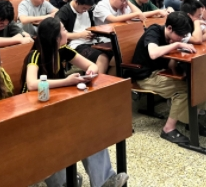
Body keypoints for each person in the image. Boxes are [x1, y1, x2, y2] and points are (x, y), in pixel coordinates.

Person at [21, 18, 129, 187]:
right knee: (58, 140)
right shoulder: (35, 55)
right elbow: (32, 84)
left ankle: (104, 181)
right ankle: (64, 181)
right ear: (55, 37)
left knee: (88, 130)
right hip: (32, 111)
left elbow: (92, 65)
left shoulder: (63, 50)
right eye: (64, 30)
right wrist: (67, 82)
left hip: (56, 105)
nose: (67, 32)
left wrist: (90, 72)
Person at [127, 11, 206, 143]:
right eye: (180, 35)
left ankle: (191, 121)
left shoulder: (174, 35)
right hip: (146, 76)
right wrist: (177, 45)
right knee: (185, 90)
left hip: (162, 71)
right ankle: (168, 129)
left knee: (199, 83)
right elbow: (153, 53)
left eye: (184, 36)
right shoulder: (154, 31)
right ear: (169, 28)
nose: (182, 38)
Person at [56, 0, 116, 75]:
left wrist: (93, 33)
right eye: (84, 8)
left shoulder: (88, 10)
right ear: (76, 2)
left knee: (115, 56)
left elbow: (92, 26)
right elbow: (59, 34)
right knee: (102, 58)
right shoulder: (64, 12)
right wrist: (80, 35)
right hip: (76, 44)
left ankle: (110, 80)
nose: (85, 11)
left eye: (88, 9)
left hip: (91, 41)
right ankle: (99, 82)